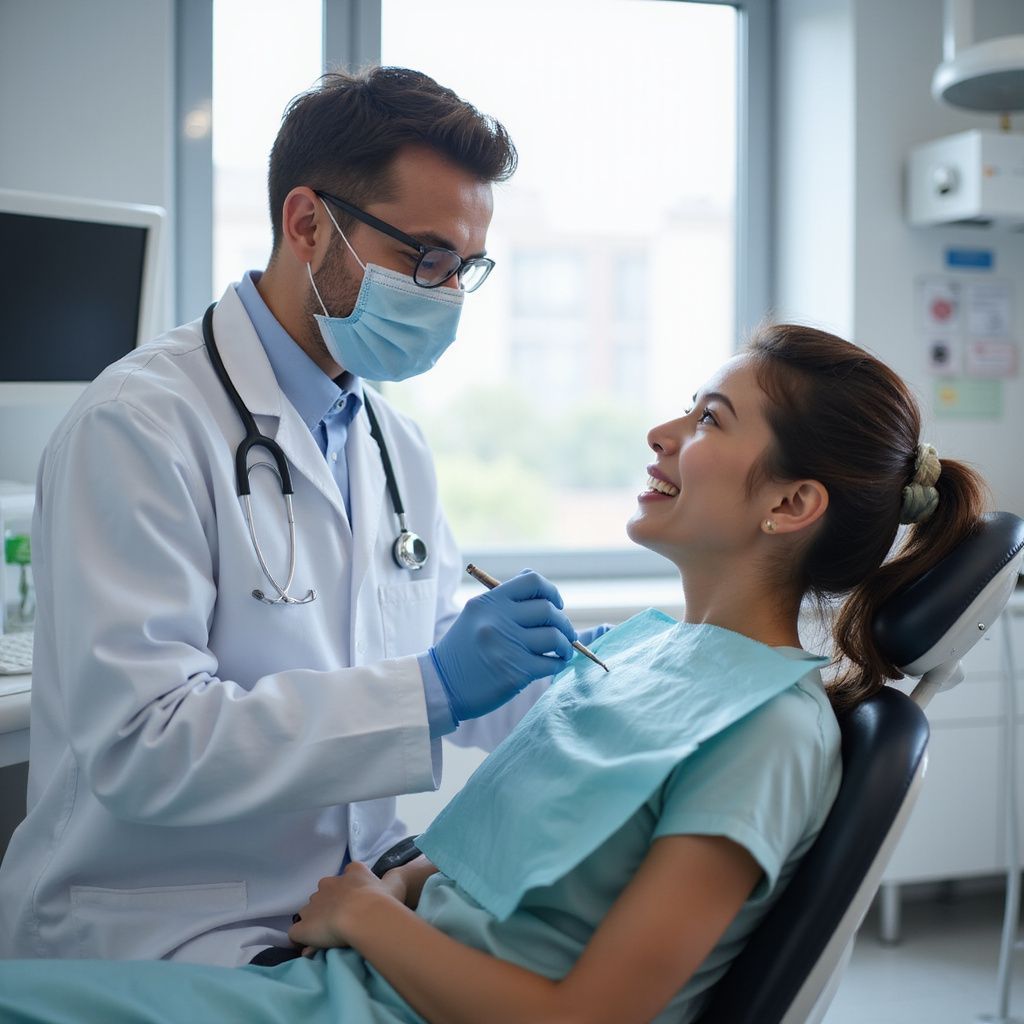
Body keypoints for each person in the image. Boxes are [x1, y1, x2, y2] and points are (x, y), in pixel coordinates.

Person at [0, 324, 988, 1024]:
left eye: (709, 420)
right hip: (345, 968)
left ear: (790, 504)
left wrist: (364, 914)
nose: (662, 434)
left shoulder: (767, 730)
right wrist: (393, 885)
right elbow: (510, 845)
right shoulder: (644, 645)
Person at [0, 67, 596, 966]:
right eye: (423, 259)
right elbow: (143, 745)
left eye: (465, 268)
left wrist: (576, 689)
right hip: (168, 923)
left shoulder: (392, 442)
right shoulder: (137, 427)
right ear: (307, 223)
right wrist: (436, 686)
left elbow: (427, 644)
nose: (445, 297)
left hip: (349, 895)